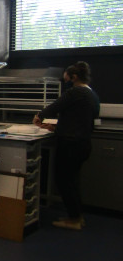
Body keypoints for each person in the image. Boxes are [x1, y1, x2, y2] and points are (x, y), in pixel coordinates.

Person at [33, 61, 100, 230]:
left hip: (71, 145)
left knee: (64, 181)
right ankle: (77, 216)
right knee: (72, 181)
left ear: (74, 77)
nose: (65, 80)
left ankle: (74, 219)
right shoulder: (91, 94)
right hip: (83, 144)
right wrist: (58, 127)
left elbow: (55, 107)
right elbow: (79, 119)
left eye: (67, 77)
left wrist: (39, 116)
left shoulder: (76, 92)